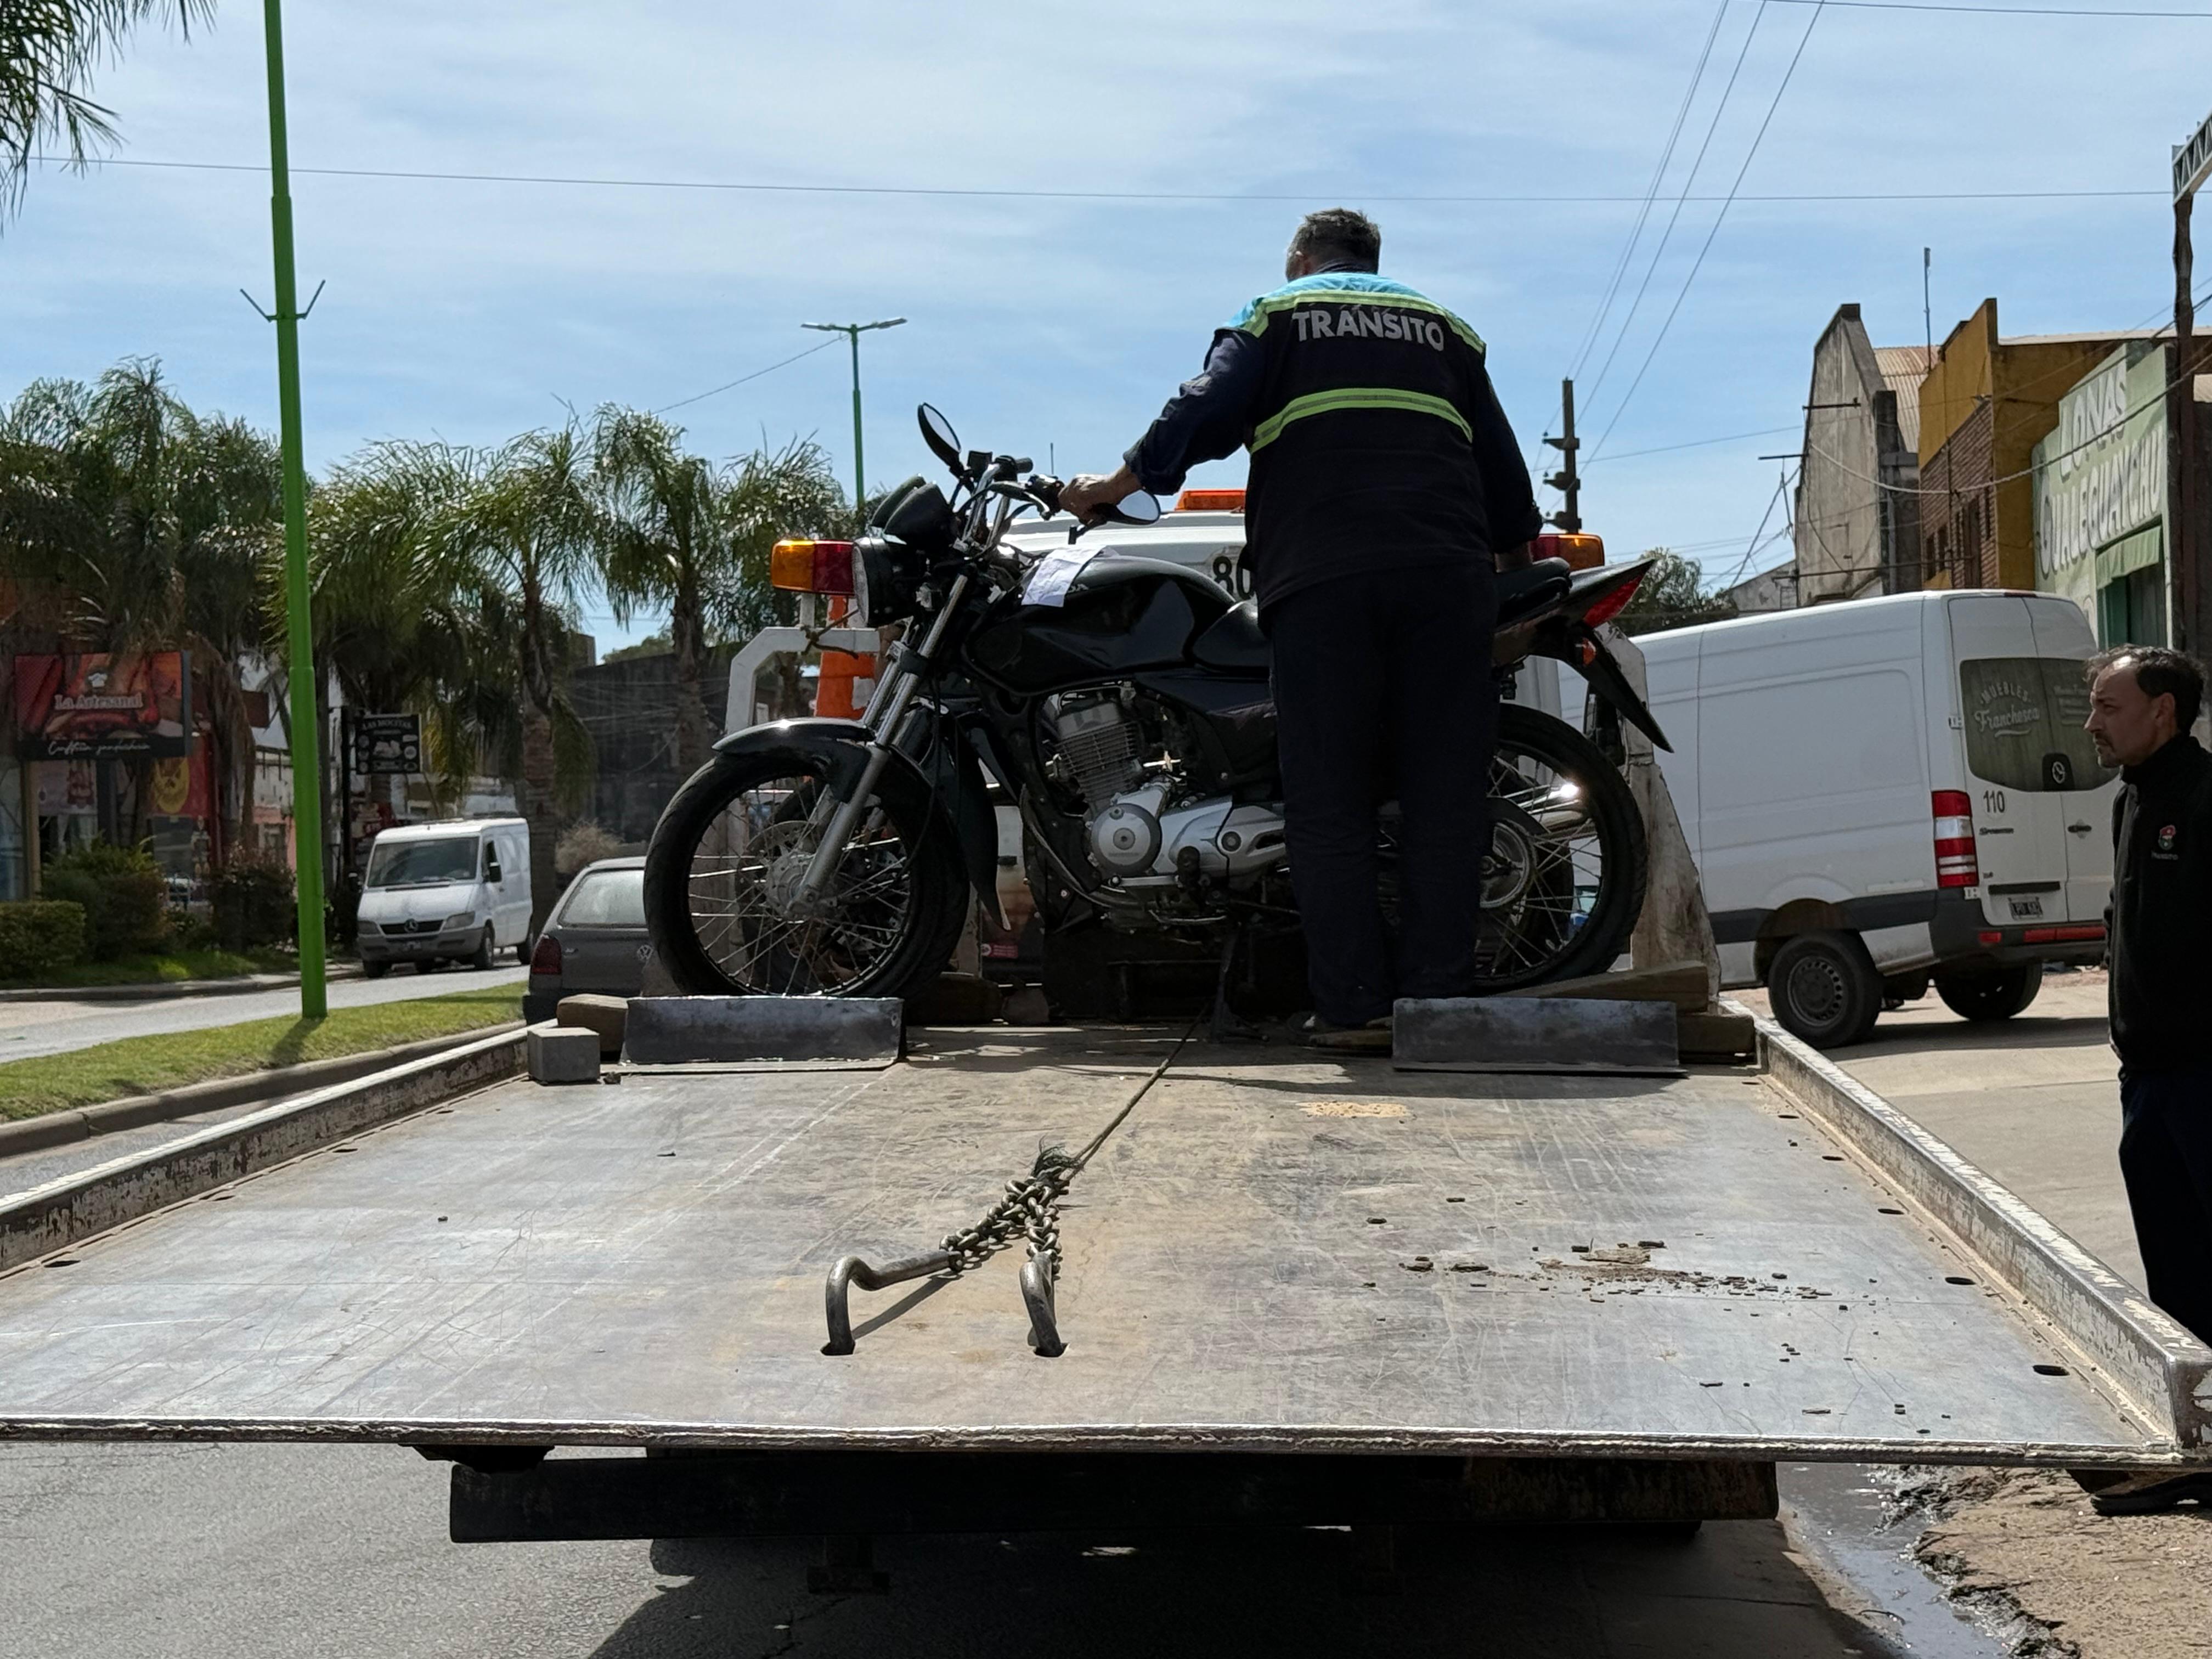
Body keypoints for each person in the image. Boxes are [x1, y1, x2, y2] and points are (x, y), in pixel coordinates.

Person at [1060, 208, 1541, 1052]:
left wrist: (1112, 486)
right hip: (1446, 577)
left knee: (1329, 798)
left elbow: (1202, 410)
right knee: (1445, 795)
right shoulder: (1446, 329)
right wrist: (1514, 575)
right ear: (1371, 261)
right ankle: (1437, 1004)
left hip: (1327, 578)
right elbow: (1504, 473)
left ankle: (1356, 1009)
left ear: (1303, 258)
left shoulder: (1278, 314)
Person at [2078, 645, 2212, 1514]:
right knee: (2179, 1277)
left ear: (2163, 711)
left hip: (2205, 1077)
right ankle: (2197, 1449)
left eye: (2109, 706)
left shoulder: (2204, 798)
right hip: (2149, 1081)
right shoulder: (2130, 802)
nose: (2092, 723)